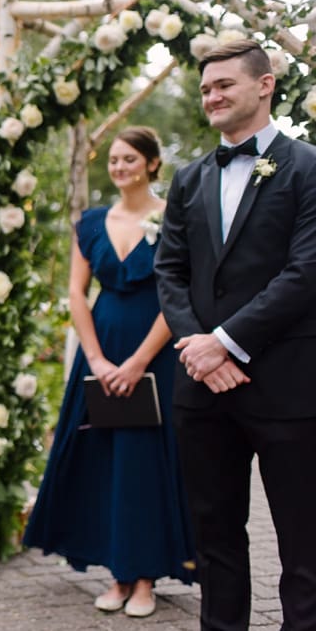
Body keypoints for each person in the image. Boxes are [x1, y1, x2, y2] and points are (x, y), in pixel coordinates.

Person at [154, 39, 316, 630]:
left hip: (290, 388)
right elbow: (169, 273)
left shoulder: (308, 168)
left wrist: (225, 340)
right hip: (202, 391)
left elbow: (307, 271)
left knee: (304, 547)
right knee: (216, 541)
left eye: (224, 84)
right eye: (204, 88)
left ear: (265, 84)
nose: (212, 96)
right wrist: (202, 349)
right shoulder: (189, 178)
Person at [22, 127, 195, 618]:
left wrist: (139, 361)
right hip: (99, 351)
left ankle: (145, 578)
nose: (120, 167)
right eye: (114, 159)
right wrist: (96, 359)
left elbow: (177, 294)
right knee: (105, 460)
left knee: (145, 464)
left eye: (130, 159)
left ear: (152, 164)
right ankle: (117, 575)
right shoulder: (92, 222)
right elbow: (77, 293)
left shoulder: (172, 219)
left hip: (155, 352)